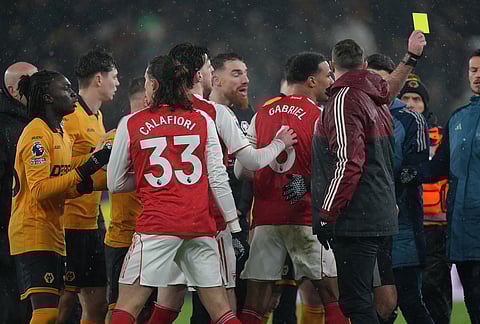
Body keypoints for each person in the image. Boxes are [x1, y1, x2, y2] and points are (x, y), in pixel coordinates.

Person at [155, 44, 296, 323]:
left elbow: (121, 180)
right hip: (211, 222)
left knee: (160, 304)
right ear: (199, 75)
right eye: (209, 68)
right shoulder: (213, 114)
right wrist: (280, 143)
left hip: (165, 222)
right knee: (223, 302)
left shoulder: (153, 116)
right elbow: (245, 165)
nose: (245, 79)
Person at [107, 54, 242, 324]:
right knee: (222, 311)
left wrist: (152, 179)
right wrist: (234, 227)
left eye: (146, 81)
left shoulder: (131, 123)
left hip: (157, 226)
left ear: (154, 85)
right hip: (199, 226)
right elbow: (216, 178)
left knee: (127, 307)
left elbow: (115, 183)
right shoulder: (203, 119)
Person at [311, 31, 426, 324]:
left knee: (356, 302)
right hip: (382, 214)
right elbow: (389, 87)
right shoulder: (375, 98)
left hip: (355, 219)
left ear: (332, 66)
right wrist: (410, 57)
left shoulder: (342, 101)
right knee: (376, 301)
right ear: (364, 65)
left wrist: (327, 214)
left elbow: (349, 163)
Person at [236, 52, 345, 324]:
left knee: (254, 303)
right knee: (330, 296)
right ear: (311, 80)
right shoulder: (322, 115)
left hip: (265, 219)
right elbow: (335, 168)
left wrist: (269, 184)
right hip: (306, 217)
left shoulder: (261, 113)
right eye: (327, 75)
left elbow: (242, 169)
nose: (330, 81)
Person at [8, 70, 111, 323]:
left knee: (52, 314)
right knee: (46, 314)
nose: (73, 93)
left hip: (53, 232)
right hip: (32, 231)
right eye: (65, 89)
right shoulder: (36, 134)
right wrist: (87, 167)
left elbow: (63, 180)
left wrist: (88, 180)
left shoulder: (60, 134)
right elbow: (40, 189)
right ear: (48, 98)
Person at [401, 49, 480, 324]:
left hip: (455, 228)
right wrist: (409, 174)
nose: (477, 75)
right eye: (473, 70)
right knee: (472, 305)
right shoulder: (458, 119)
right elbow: (438, 168)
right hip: (461, 234)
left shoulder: (452, 124)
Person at [367, 54, 433, 324]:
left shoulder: (409, 119)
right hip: (366, 228)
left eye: (384, 79)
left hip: (401, 225)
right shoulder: (355, 113)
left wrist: (387, 196)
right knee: (372, 307)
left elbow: (416, 170)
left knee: (408, 301)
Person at [58, 48, 119, 324]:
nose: (116, 83)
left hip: (93, 222)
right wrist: (99, 157)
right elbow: (60, 166)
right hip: (69, 223)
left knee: (97, 304)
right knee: (65, 301)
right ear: (98, 79)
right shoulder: (69, 117)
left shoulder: (96, 116)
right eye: (114, 77)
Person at [399, 74, 452, 324]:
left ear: (425, 104)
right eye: (406, 98)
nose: (410, 103)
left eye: (416, 99)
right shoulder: (394, 134)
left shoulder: (443, 136)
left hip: (438, 227)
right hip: (405, 223)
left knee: (434, 291)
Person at [104, 77, 146, 323]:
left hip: (150, 236)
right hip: (124, 238)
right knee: (120, 308)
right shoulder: (115, 137)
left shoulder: (112, 137)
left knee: (147, 309)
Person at [0, 61, 37, 324]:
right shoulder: (6, 127)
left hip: (35, 232)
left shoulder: (41, 123)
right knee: (13, 306)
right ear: (13, 91)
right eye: (31, 81)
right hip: (8, 236)